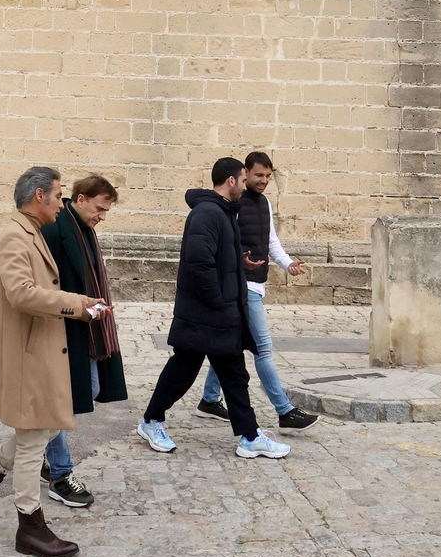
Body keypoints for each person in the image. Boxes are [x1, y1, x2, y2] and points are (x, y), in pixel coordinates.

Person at [0, 166, 105, 557]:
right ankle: (30, 525)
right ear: (39, 195)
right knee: (34, 438)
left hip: (38, 350)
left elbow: (40, 289)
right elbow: (22, 294)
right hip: (26, 355)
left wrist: (81, 301)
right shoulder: (13, 236)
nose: (62, 202)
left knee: (41, 429)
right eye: (58, 195)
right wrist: (76, 305)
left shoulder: (29, 232)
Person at [136, 157, 290, 460]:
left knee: (234, 375)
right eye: (244, 180)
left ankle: (250, 436)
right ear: (230, 181)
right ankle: (151, 420)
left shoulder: (223, 212)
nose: (246, 186)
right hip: (206, 315)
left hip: (222, 314)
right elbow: (198, 264)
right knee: (183, 371)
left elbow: (215, 256)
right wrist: (219, 300)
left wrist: (237, 262)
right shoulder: (207, 213)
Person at [197, 152, 319, 429]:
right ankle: (284, 410)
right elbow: (225, 241)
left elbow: (271, 240)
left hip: (256, 284)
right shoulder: (234, 203)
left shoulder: (264, 204)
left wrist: (288, 264)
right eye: (258, 175)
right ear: (245, 174)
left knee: (231, 345)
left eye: (268, 176)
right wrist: (240, 258)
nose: (264, 181)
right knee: (262, 348)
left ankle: (208, 399)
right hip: (242, 286)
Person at [36, 174, 127, 508]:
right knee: (63, 401)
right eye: (100, 208)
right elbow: (41, 284)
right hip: (61, 328)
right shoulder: (55, 228)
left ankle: (43, 459)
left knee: (78, 395)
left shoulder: (84, 229)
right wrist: (78, 307)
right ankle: (59, 473)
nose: (102, 216)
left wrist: (95, 307)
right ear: (80, 199)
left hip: (83, 326)